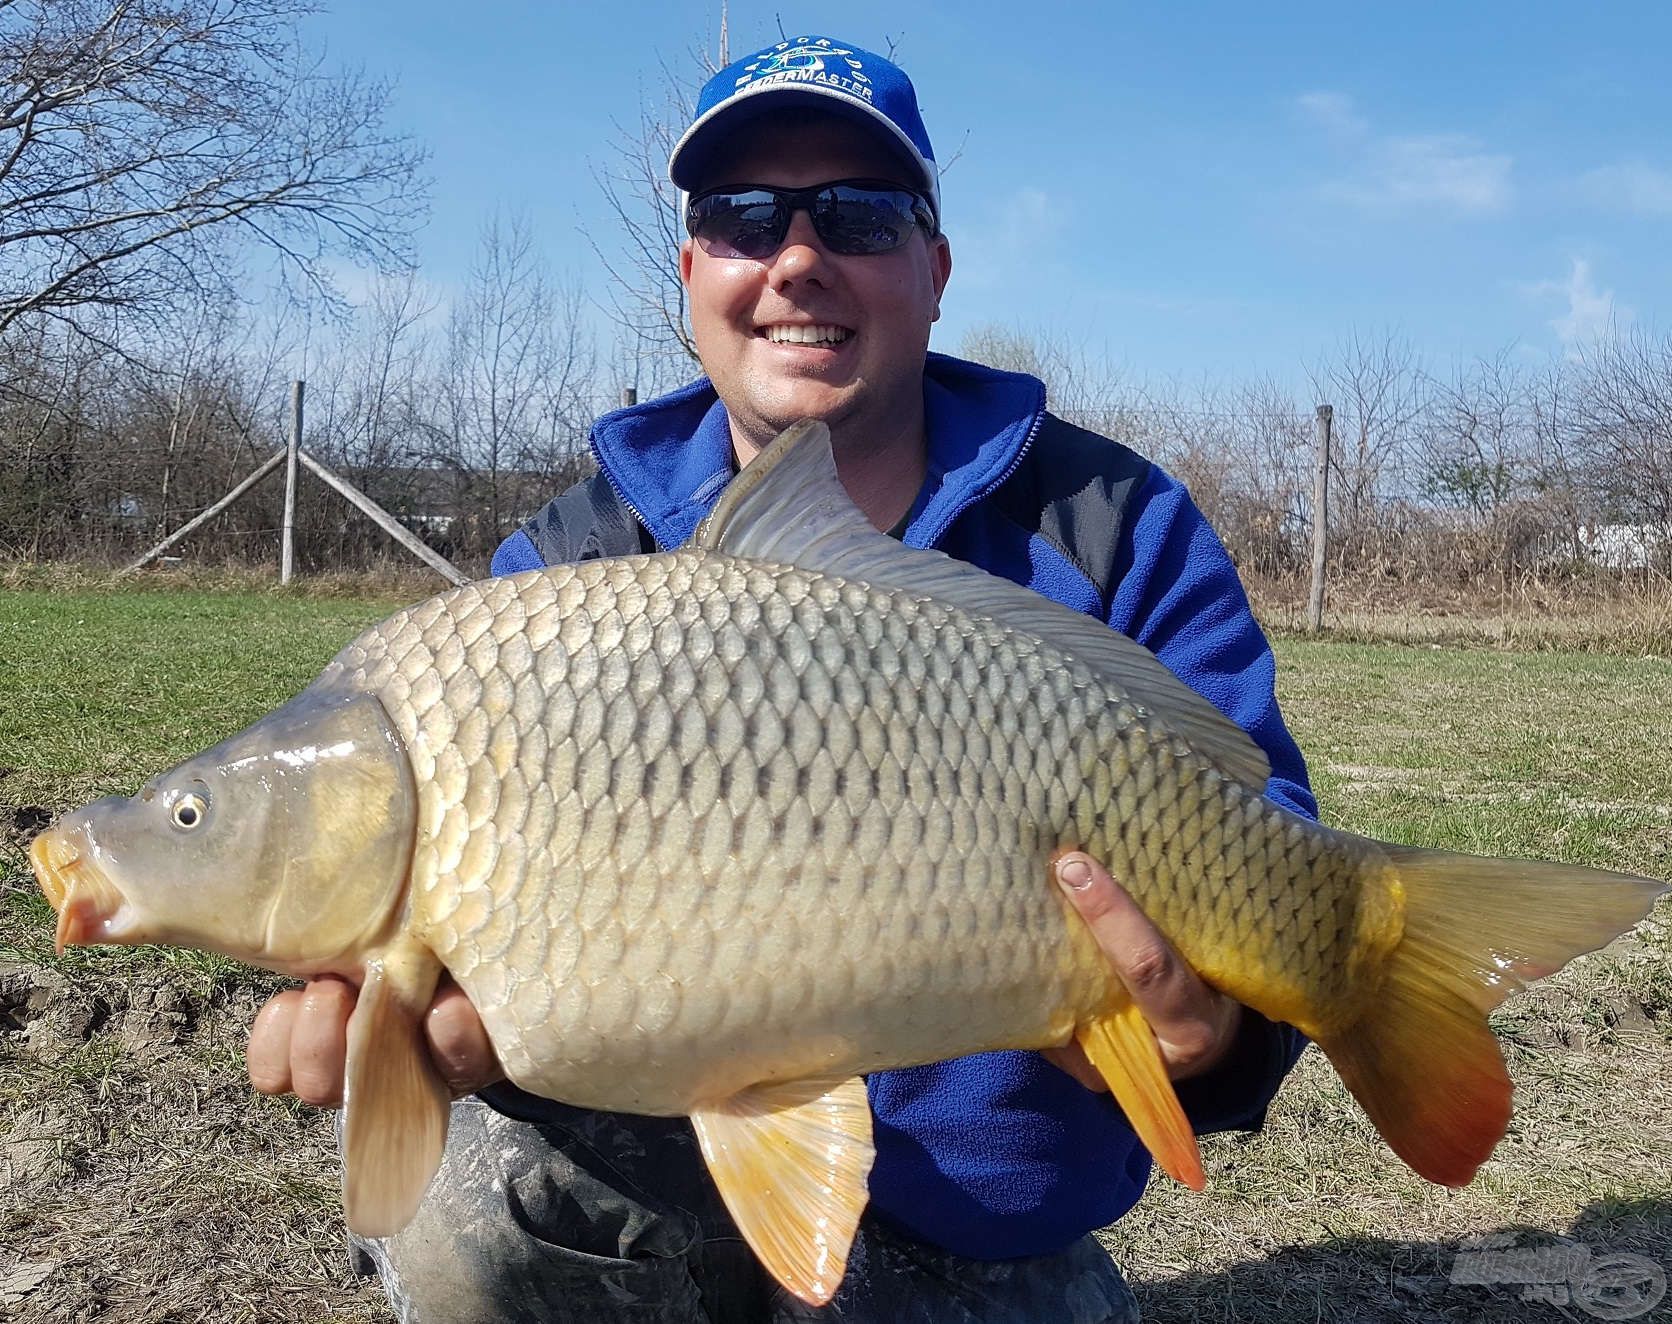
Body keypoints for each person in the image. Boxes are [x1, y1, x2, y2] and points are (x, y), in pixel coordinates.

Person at [246, 34, 1316, 1323]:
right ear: (693, 269)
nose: (797, 257)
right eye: (744, 217)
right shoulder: (565, 575)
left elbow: (1272, 852)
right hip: (654, 1191)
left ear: (934, 272)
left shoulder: (1113, 523)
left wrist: (1222, 1040)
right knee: (466, 1220)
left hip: (991, 1226)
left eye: (859, 214)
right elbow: (470, 985)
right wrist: (388, 1011)